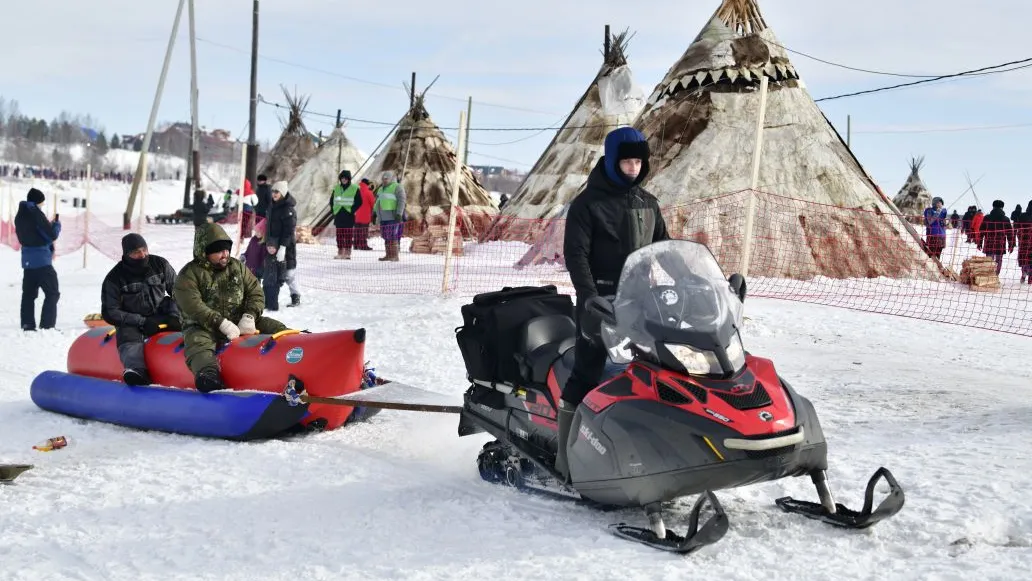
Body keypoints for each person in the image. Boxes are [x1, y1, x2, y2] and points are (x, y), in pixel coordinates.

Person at [557, 126, 669, 478]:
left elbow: (664, 248)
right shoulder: (587, 204)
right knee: (587, 371)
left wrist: (690, 282)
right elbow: (576, 255)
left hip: (641, 302)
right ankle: (565, 456)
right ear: (611, 161)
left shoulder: (649, 203)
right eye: (627, 162)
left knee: (659, 371)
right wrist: (589, 296)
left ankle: (652, 449)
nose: (633, 168)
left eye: (638, 161)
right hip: (600, 302)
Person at [173, 223, 287, 392]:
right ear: (205, 252)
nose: (225, 254)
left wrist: (249, 315)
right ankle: (208, 374)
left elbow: (255, 291)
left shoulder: (237, 267)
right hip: (203, 326)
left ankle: (301, 352)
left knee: (275, 328)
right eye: (218, 251)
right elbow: (193, 306)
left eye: (226, 249)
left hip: (239, 320)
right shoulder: (189, 275)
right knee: (198, 345)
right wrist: (220, 323)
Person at [100, 233, 182, 386]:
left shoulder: (160, 264)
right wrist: (141, 321)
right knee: (127, 333)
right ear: (127, 254)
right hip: (134, 319)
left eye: (144, 250)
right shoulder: (115, 277)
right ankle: (136, 370)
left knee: (176, 305)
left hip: (161, 313)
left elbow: (179, 291)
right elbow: (110, 312)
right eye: (137, 252)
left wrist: (175, 316)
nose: (142, 254)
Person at [15, 188, 61, 331]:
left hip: (28, 262)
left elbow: (35, 234)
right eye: (41, 203)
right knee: (52, 292)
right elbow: (51, 235)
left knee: (28, 295)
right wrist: (56, 225)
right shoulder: (35, 213)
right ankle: (47, 326)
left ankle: (27, 325)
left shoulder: (20, 215)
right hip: (42, 261)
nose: (42, 206)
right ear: (37, 202)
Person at [264, 180, 300, 309]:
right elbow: (268, 226)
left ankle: (295, 296)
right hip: (272, 245)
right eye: (273, 191)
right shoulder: (272, 206)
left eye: (277, 192)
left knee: (289, 273)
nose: (274, 194)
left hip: (286, 246)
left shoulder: (288, 210)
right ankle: (270, 301)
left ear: (283, 193)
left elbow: (289, 231)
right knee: (272, 274)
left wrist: (283, 248)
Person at [373, 170, 406, 261]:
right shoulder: (380, 189)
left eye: (386, 178)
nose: (384, 180)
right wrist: (374, 213)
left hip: (393, 216)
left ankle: (394, 255)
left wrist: (399, 213)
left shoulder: (397, 187)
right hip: (383, 217)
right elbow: (377, 202)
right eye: (383, 179)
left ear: (391, 179)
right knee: (385, 236)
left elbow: (402, 201)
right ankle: (388, 255)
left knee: (392, 235)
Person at [978, 200, 1015, 275]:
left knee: (988, 260)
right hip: (1000, 243)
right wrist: (1011, 245)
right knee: (998, 261)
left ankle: (988, 276)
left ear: (993, 206)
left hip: (989, 242)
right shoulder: (1006, 219)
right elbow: (1010, 234)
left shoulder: (987, 218)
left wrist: (979, 243)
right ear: (1002, 207)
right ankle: (995, 276)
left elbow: (981, 231)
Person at [331, 170, 363, 259]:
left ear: (348, 179)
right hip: (338, 214)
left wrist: (352, 210)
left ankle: (348, 252)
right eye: (342, 178)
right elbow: (331, 200)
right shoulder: (336, 188)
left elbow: (359, 201)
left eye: (345, 178)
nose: (343, 180)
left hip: (349, 214)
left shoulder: (354, 188)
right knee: (339, 234)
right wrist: (333, 210)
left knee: (348, 234)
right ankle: (340, 252)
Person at [355, 178, 376, 250]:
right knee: (363, 231)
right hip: (365, 215)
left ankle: (356, 245)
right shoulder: (369, 192)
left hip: (357, 215)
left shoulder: (357, 191)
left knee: (357, 231)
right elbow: (373, 204)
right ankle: (363, 245)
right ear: (367, 184)